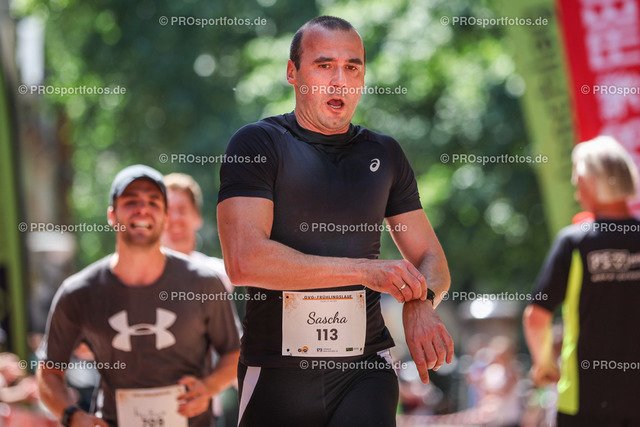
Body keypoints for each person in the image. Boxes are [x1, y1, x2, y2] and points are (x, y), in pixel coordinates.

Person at [217, 16, 454, 426]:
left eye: (352, 67)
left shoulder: (384, 154)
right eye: (324, 65)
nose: (339, 80)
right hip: (277, 372)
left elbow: (432, 259)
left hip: (365, 369)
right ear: (292, 73)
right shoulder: (257, 144)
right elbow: (244, 261)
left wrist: (420, 301)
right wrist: (363, 272)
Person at [36, 165, 240, 427]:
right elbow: (49, 371)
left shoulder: (204, 283)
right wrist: (72, 416)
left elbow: (234, 353)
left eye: (153, 202)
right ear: (112, 215)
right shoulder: (79, 292)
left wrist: (209, 387)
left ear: (165, 216)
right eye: (131, 201)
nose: (142, 209)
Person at [523, 136, 640, 426]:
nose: (577, 193)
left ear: (590, 181)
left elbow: (536, 317)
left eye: (578, 182)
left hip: (583, 401)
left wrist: (544, 366)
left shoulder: (575, 242)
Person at [161, 172, 241, 427]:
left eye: (182, 209)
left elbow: (235, 347)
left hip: (202, 410)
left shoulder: (218, 275)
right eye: (167, 210)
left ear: (197, 217)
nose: (174, 218)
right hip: (144, 408)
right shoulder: (135, 277)